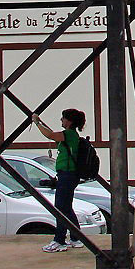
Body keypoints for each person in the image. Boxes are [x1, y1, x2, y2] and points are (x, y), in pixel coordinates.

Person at [31, 108, 87, 252]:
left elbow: (50, 135)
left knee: (60, 208)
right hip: (69, 174)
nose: (61, 120)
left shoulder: (69, 134)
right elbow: (53, 134)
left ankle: (59, 240)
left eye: (63, 118)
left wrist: (37, 123)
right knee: (66, 207)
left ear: (69, 121)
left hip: (67, 174)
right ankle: (76, 237)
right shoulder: (71, 135)